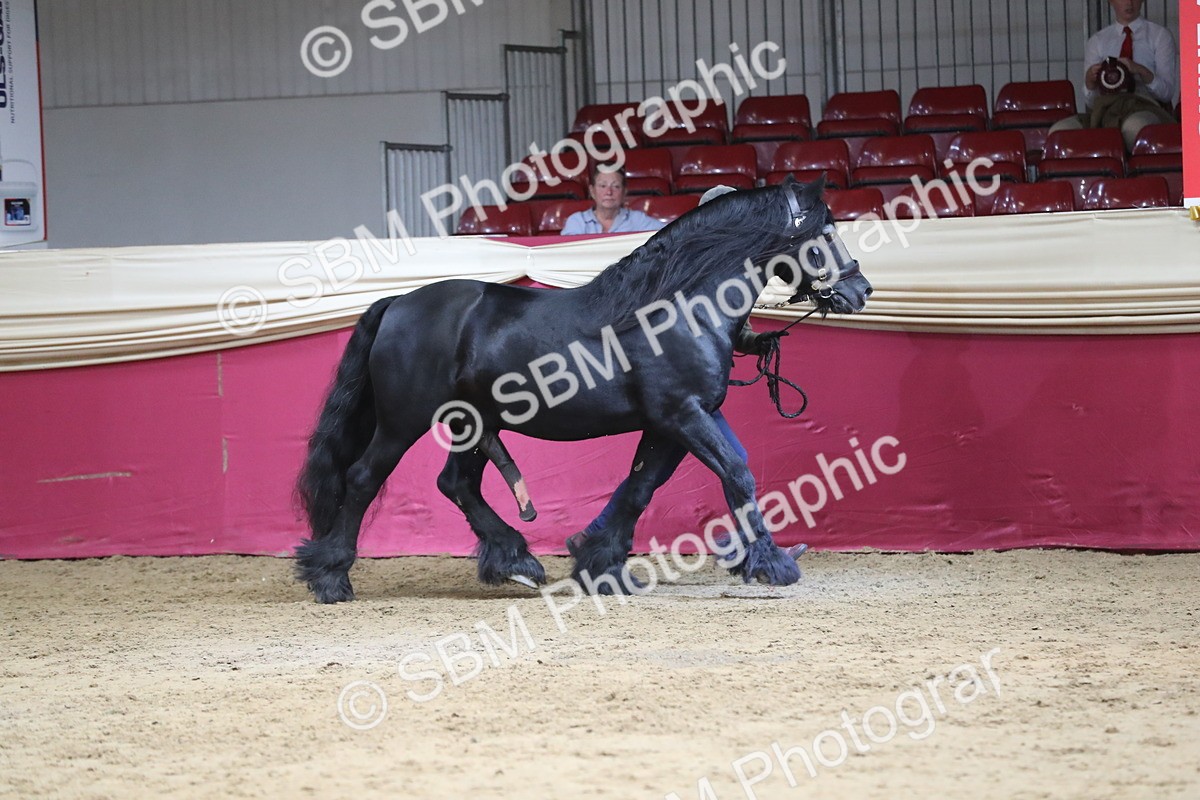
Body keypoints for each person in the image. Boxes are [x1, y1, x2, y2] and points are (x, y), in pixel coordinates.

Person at [565, 185, 790, 556]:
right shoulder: (681, 260)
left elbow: (732, 330)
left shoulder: (728, 269)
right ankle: (750, 543)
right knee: (733, 460)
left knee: (651, 475)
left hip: (686, 391)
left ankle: (592, 536)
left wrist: (755, 342)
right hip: (676, 388)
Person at [1048, 0, 1177, 150]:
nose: (1129, 3)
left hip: (1144, 106)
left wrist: (1141, 70)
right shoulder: (1097, 41)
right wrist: (1090, 82)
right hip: (1105, 109)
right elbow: (1091, 103)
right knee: (1058, 132)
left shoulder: (1160, 36)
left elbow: (1166, 94)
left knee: (1133, 128)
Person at [559, 164, 666, 235]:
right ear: (592, 191)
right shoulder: (577, 221)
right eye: (602, 186)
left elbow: (668, 235)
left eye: (616, 186)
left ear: (624, 192)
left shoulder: (637, 220)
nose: (609, 192)